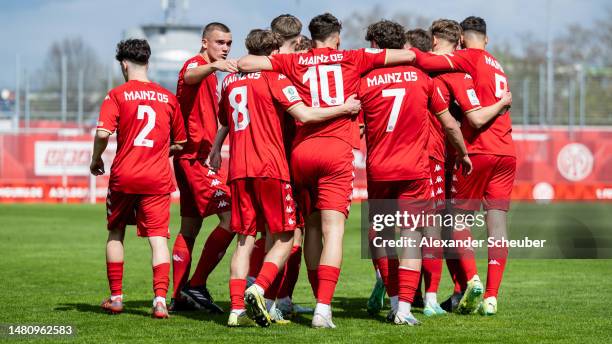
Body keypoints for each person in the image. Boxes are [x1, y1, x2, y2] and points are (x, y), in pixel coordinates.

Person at [237, 12, 417, 328]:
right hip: (335, 151)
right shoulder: (352, 58)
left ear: (313, 34)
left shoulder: (295, 62)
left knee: (311, 229)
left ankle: (273, 293)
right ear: (336, 36)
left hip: (301, 153)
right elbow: (409, 54)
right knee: (334, 230)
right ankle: (323, 309)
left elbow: (246, 64)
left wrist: (282, 60)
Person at [212, 29, 362, 327]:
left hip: (238, 169)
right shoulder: (276, 78)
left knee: (244, 239)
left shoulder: (228, 82)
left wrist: (216, 148)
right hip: (271, 166)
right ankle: (261, 289)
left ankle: (236, 310)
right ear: (276, 51)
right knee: (287, 236)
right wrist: (344, 108)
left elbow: (225, 121)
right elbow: (304, 115)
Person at [359, 20, 472, 325]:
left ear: (375, 46)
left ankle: (395, 299)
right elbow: (449, 122)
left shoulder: (364, 78)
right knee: (413, 235)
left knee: (380, 235)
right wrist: (462, 152)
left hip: (379, 169)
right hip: (414, 168)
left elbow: (351, 117)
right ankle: (406, 310)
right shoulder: (423, 78)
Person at [413, 16, 516, 315]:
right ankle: (492, 297)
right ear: (486, 39)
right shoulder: (497, 64)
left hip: (478, 151)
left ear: (462, 40)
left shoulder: (465, 58)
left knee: (456, 221)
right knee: (497, 226)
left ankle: (471, 280)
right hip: (507, 151)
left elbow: (429, 62)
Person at [91, 39, 186, 319]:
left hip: (125, 176)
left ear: (123, 64)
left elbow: (102, 134)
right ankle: (159, 301)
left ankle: (117, 298)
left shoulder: (117, 95)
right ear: (148, 61)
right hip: (157, 178)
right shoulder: (168, 97)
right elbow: (180, 142)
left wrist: (96, 159)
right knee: (158, 239)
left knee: (116, 231)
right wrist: (159, 150)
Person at [170, 22, 236, 313]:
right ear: (204, 42)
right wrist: (214, 67)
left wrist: (217, 147)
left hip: (195, 158)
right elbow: (190, 74)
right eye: (220, 42)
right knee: (232, 218)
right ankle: (195, 284)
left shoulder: (213, 74)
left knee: (190, 227)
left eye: (228, 43)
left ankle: (179, 296)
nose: (225, 48)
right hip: (194, 160)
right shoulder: (196, 65)